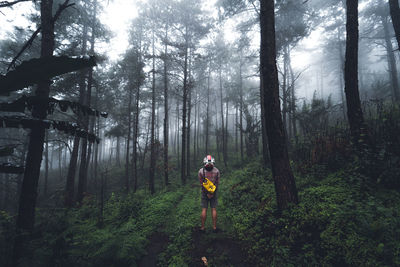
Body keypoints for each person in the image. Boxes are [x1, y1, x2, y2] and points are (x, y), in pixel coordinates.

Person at [198, 155, 220, 232]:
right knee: (213, 209)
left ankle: (202, 227)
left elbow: (201, 184)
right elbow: (217, 183)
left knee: (204, 209)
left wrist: (207, 193)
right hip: (213, 192)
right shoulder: (217, 171)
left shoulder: (201, 171)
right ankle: (214, 227)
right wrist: (212, 193)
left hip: (204, 193)